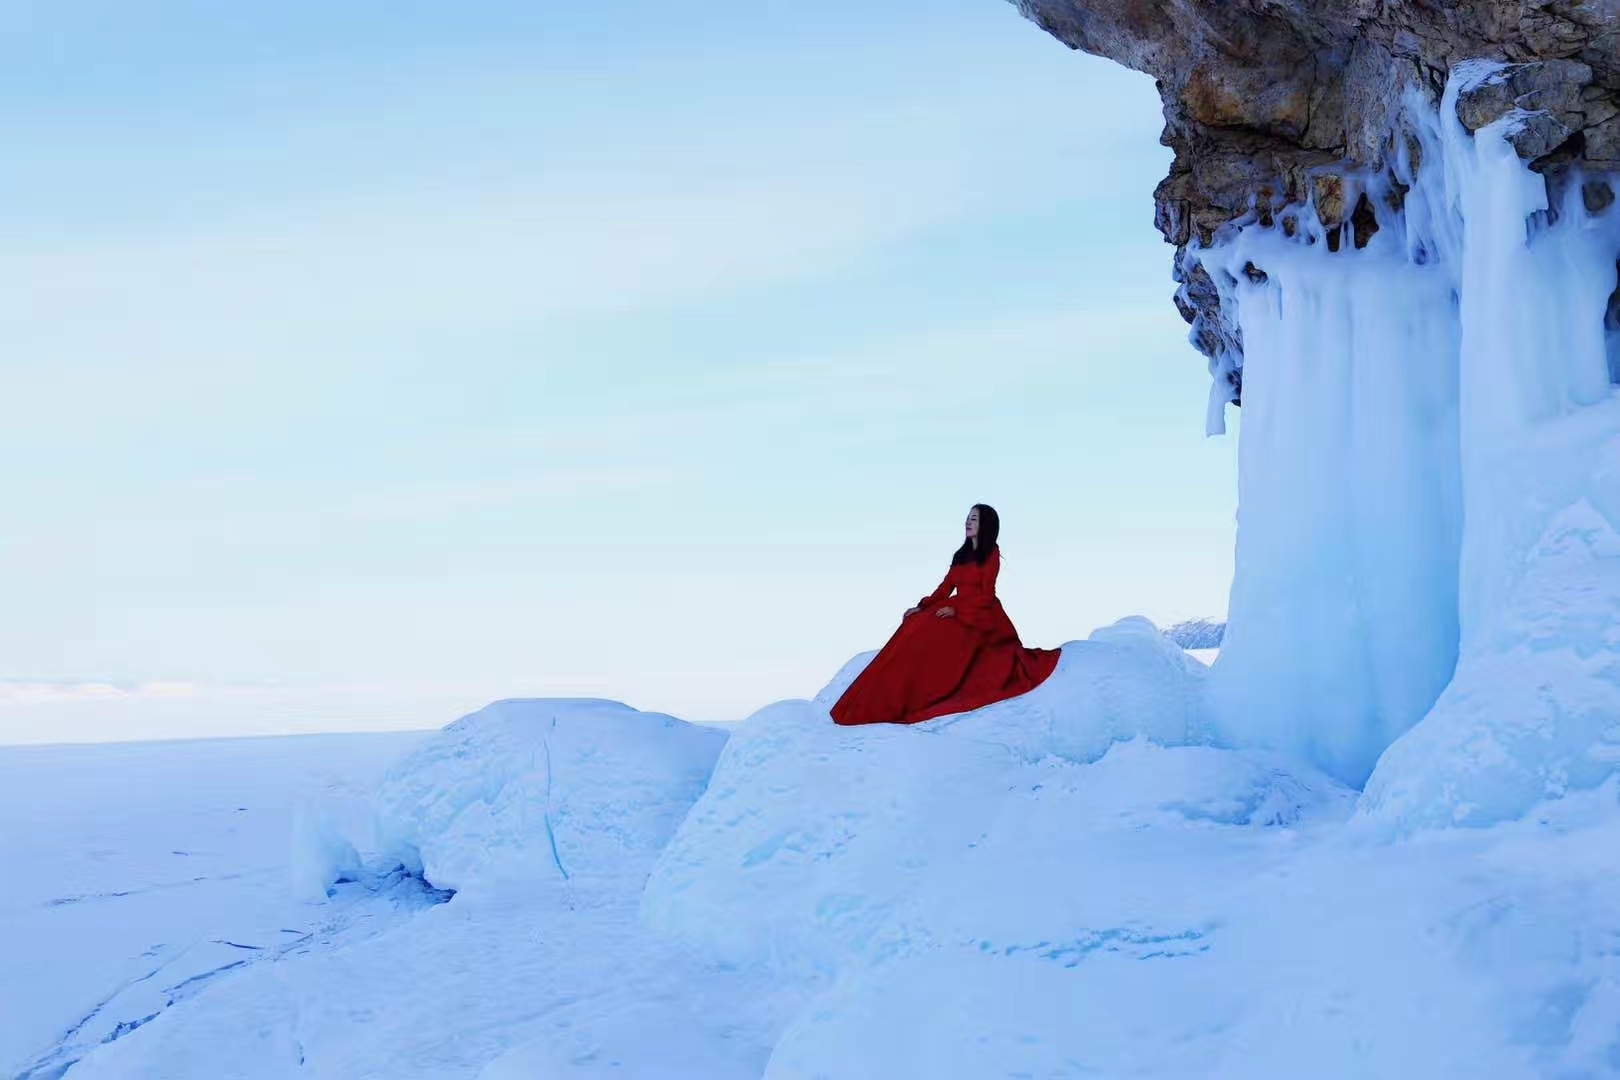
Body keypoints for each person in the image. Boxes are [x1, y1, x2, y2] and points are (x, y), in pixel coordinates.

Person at [830, 504, 1061, 726]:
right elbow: (945, 587)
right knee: (916, 622)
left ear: (986, 525)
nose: (967, 523)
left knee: (933, 631)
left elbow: (987, 594)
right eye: (967, 518)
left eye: (974, 519)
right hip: (957, 605)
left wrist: (958, 610)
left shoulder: (990, 554)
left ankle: (920, 693)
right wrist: (922, 606)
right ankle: (886, 695)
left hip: (979, 613)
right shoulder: (960, 555)